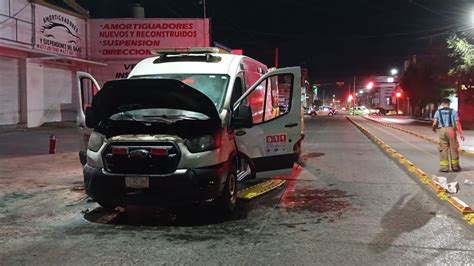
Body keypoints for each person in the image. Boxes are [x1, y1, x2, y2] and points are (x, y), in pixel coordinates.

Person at [432, 98, 465, 172]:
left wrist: (434, 129)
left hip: (442, 130)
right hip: (451, 131)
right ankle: (455, 167)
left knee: (443, 148)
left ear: (442, 104)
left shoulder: (438, 112)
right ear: (449, 104)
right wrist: (461, 134)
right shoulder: (454, 112)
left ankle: (444, 167)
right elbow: (457, 123)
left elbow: (434, 123)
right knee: (453, 148)